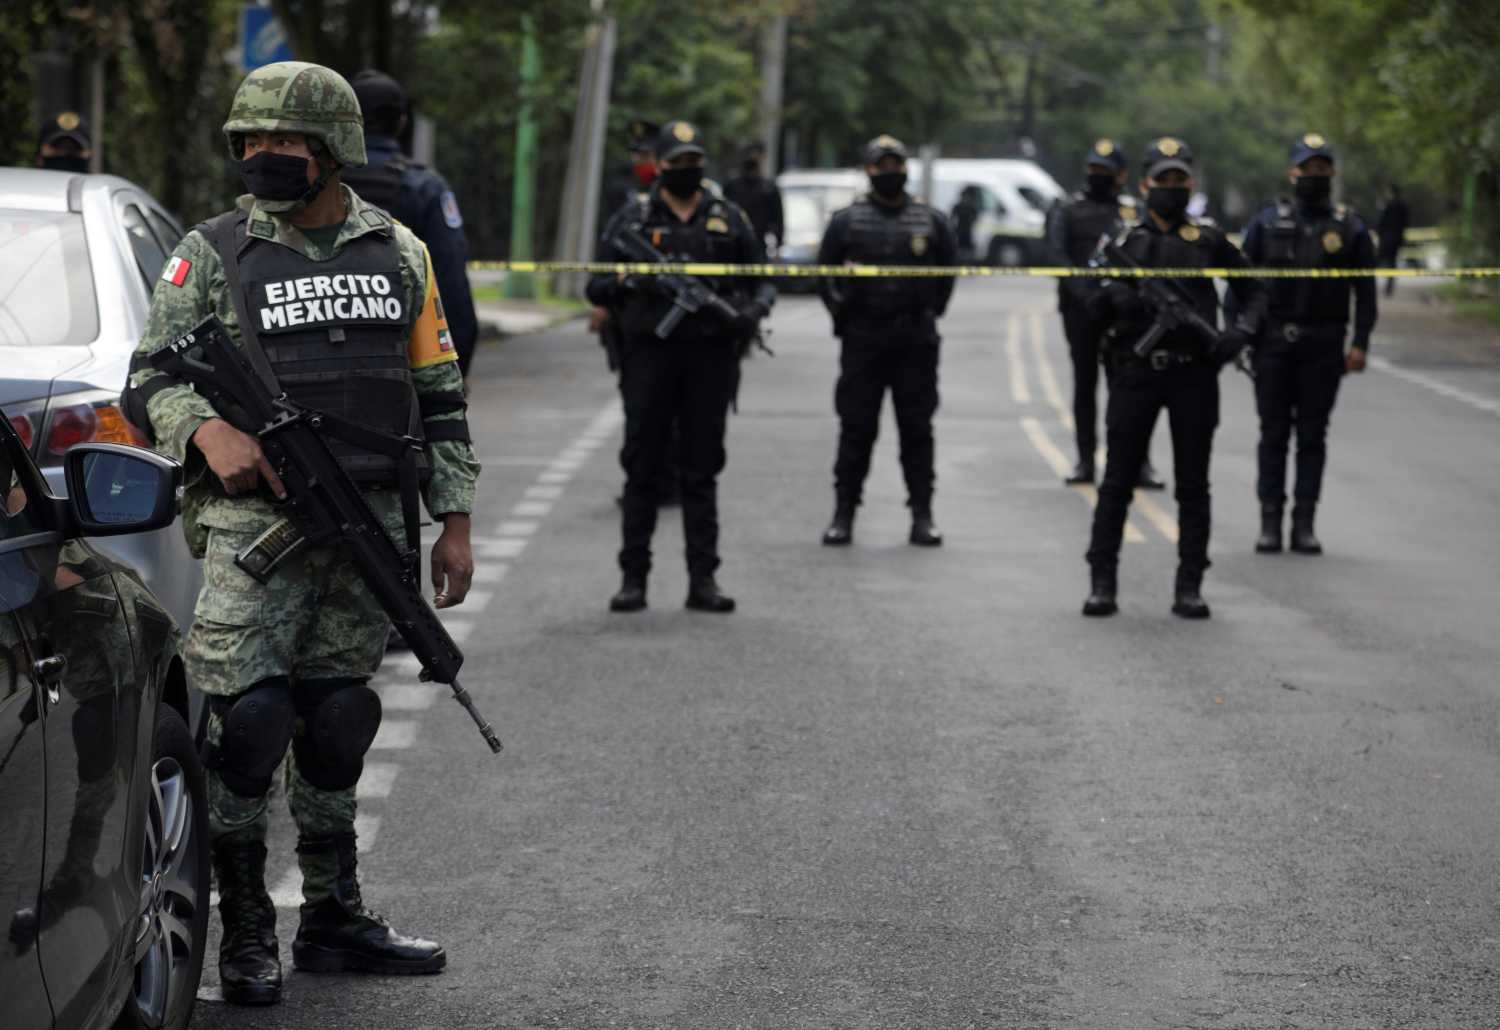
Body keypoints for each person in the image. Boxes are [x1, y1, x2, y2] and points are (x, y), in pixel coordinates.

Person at [125, 61, 479, 1005]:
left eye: (283, 142)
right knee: (248, 727)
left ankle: (332, 917)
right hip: (255, 528)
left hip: (365, 524)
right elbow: (149, 376)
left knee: (336, 723)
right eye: (250, 142)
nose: (262, 157)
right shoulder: (212, 252)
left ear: (332, 150)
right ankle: (244, 932)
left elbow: (440, 395)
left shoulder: (399, 251)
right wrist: (210, 431)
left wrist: (457, 524)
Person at [587, 120, 774, 614]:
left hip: (710, 360)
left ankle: (703, 579)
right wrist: (630, 283)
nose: (689, 170)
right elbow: (596, 286)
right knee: (642, 466)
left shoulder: (728, 217)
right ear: (661, 165)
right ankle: (633, 580)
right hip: (649, 356)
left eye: (696, 162)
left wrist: (751, 314)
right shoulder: (633, 220)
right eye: (679, 163)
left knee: (702, 468)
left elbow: (763, 279)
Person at [1081, 137, 1266, 619]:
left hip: (1193, 375)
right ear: (1144, 184)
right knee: (1118, 481)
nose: (1171, 187)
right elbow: (1088, 302)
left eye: (1179, 179)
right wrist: (1113, 301)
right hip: (1135, 373)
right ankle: (1102, 582)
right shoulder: (1123, 243)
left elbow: (1254, 290)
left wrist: (1239, 334)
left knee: (1193, 484)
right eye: (1162, 179)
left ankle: (1190, 585)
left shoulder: (1208, 240)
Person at [1236, 133, 1376, 555]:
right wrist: (1239, 334)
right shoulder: (1265, 222)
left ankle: (1304, 523)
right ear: (1292, 172)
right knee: (1273, 432)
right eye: (1307, 168)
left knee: (1313, 435)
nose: (1314, 175)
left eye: (1322, 168)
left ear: (1331, 172)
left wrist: (1361, 343)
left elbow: (1364, 292)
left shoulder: (1349, 226)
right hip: (1273, 342)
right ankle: (1270, 522)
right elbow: (1240, 284)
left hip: (1324, 343)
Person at [817, 134, 958, 547]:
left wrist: (929, 311)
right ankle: (844, 513)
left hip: (915, 340)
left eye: (896, 164)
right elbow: (824, 273)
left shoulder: (930, 219)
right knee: (856, 429)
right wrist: (841, 311)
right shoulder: (847, 220)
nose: (890, 172)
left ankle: (922, 514)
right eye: (883, 166)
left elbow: (947, 273)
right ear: (869, 170)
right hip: (863, 339)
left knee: (917, 430)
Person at [342, 69, 480, 378]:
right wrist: (456, 373)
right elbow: (451, 282)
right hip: (402, 362)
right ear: (402, 122)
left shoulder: (317, 183)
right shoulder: (423, 186)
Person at [1044, 138, 1164, 489]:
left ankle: (1138, 462)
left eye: (1105, 171)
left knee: (1130, 388)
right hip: (1080, 311)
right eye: (1094, 170)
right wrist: (1086, 293)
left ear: (1121, 175)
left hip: (1124, 311)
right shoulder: (1068, 209)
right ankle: (1085, 460)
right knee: (1085, 385)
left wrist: (1119, 295)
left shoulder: (1132, 211)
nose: (1098, 176)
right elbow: (1056, 255)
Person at [724, 142, 784, 253]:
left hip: (759, 244)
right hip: (734, 244)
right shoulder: (732, 186)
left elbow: (778, 219)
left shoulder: (768, 188)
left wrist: (778, 244)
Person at [1376, 183, 1410, 297]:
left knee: (1384, 260)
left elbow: (1381, 221)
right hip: (1396, 238)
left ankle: (1386, 285)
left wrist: (1380, 233)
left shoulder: (1388, 205)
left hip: (1387, 238)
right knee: (1392, 262)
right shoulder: (1402, 205)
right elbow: (1406, 222)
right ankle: (1389, 285)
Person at [950, 185, 981, 264]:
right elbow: (952, 218)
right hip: (960, 231)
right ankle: (960, 263)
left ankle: (967, 263)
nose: (965, 198)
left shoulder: (971, 206)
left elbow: (975, 218)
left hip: (967, 231)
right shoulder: (959, 206)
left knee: (968, 250)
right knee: (960, 250)